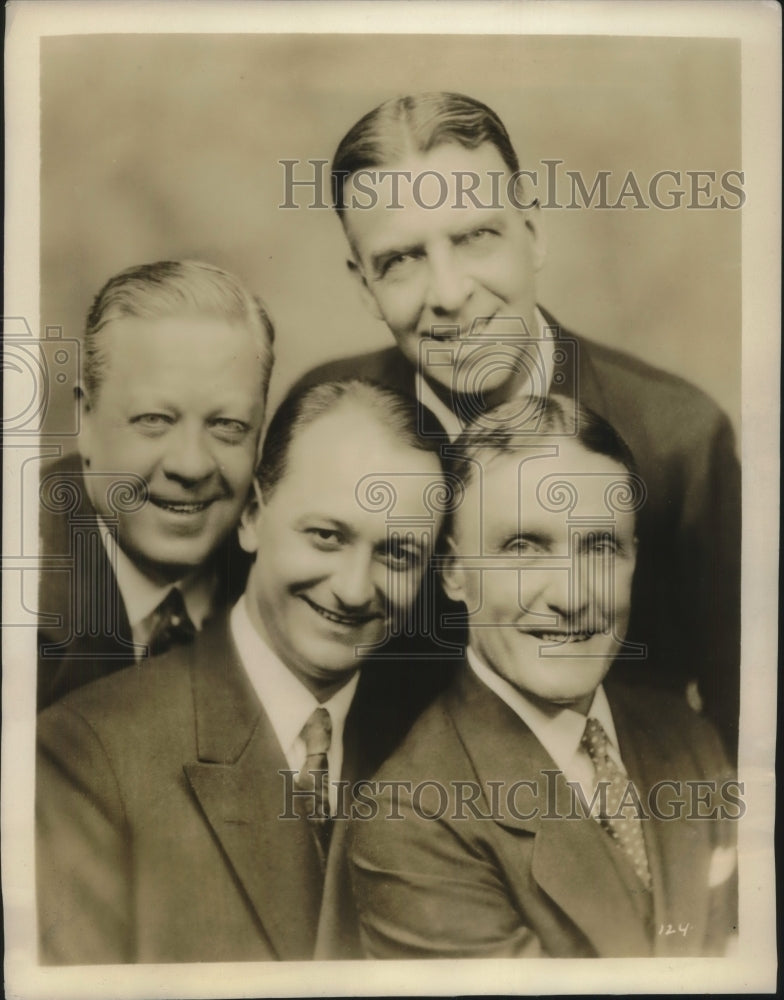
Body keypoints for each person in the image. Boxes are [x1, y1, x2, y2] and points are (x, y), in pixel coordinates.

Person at [296, 91, 741, 759]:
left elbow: (751, 719)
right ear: (363, 286)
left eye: (475, 237)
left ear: (532, 233)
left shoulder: (677, 441)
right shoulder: (325, 419)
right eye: (401, 260)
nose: (448, 293)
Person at [36, 378, 450, 963]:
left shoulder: (437, 750)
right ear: (253, 516)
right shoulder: (83, 754)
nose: (356, 589)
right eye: (327, 536)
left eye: (397, 554)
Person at [350, 398, 738, 959]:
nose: (572, 597)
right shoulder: (408, 821)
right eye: (524, 547)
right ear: (454, 572)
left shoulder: (689, 738)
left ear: (635, 557)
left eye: (601, 547)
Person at [37, 260, 274, 710]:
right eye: (153, 420)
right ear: (85, 420)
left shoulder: (291, 584)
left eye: (227, 425)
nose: (191, 465)